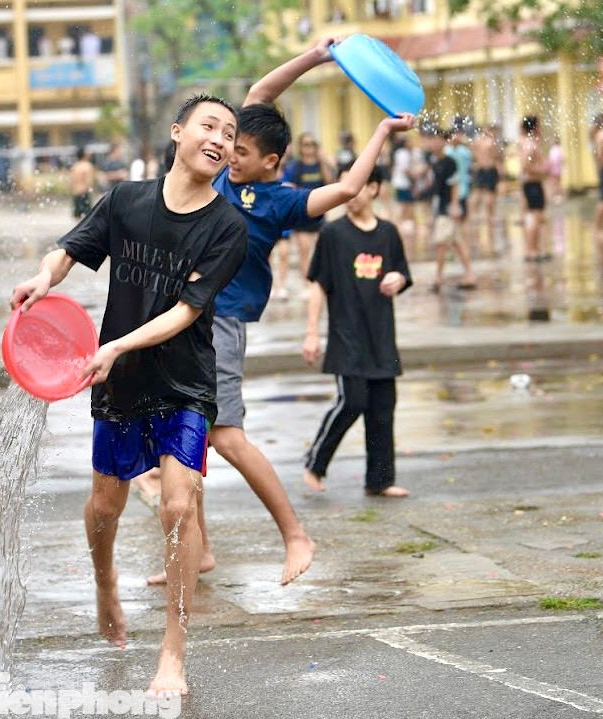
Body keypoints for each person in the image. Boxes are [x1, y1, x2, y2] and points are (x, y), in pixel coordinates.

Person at [136, 38, 415, 588]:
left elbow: (350, 187)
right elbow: (262, 92)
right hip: (182, 317)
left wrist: (382, 131)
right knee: (183, 434)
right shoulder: (217, 174)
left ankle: (295, 534)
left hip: (220, 325)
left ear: (271, 162)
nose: (227, 152)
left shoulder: (280, 201)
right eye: (228, 143)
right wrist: (314, 58)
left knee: (225, 438)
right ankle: (199, 550)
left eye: (241, 151)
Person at [11, 94, 247, 696]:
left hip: (186, 383)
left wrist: (116, 346)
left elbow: (185, 313)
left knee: (178, 504)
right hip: (120, 382)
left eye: (229, 133)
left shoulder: (227, 226)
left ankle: (174, 647)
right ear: (178, 132)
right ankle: (104, 582)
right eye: (208, 125)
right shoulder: (126, 200)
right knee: (105, 504)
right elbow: (70, 249)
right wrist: (44, 277)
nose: (219, 139)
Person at [302, 166, 412, 497]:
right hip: (346, 336)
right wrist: (311, 332)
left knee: (382, 407)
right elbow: (319, 286)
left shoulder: (389, 233)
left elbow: (402, 273)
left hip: (380, 336)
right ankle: (315, 463)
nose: (349, 192)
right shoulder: (333, 234)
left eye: (358, 185)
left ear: (375, 189)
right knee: (352, 401)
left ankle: (380, 480)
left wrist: (399, 280)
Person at [423, 129, 476, 291]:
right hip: (441, 206)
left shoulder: (449, 162)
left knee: (441, 242)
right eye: (430, 139)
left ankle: (438, 276)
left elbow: (455, 184)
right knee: (457, 242)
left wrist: (454, 205)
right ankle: (469, 274)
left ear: (443, 141)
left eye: (435, 139)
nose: (432, 142)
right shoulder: (435, 161)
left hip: (448, 207)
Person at [283, 132, 332, 295]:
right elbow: (289, 186)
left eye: (312, 144)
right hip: (302, 212)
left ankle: (318, 283)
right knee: (304, 250)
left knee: (319, 251)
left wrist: (323, 160)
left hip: (320, 213)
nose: (309, 148)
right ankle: (306, 284)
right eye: (305, 145)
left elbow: (330, 182)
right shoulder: (295, 167)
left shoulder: (321, 165)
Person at [520, 116, 549, 261]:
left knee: (535, 217)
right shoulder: (530, 145)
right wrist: (543, 171)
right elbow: (525, 166)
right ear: (535, 127)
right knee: (534, 218)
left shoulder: (528, 143)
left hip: (532, 185)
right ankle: (530, 250)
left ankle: (534, 249)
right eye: (539, 125)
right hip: (532, 185)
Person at [470, 124, 503, 230]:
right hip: (489, 169)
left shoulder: (476, 142)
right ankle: (490, 216)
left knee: (477, 193)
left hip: (479, 169)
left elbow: (473, 156)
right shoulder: (491, 142)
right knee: (489, 195)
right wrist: (501, 174)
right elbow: (497, 157)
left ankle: (475, 215)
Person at [69, 147, 95, 219]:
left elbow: (71, 182)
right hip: (84, 194)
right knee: (87, 219)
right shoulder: (87, 166)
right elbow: (89, 182)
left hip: (76, 194)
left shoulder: (74, 166)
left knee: (77, 219)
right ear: (84, 155)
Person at [592, 115, 603, 235]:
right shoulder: (601, 135)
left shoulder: (598, 134)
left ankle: (597, 227)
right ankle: (597, 227)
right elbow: (600, 155)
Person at [547, 139, 565, 203]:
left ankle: (554, 196)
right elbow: (563, 159)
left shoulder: (552, 150)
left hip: (553, 169)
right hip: (559, 169)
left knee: (554, 183)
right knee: (559, 183)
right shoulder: (560, 149)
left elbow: (551, 161)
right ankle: (561, 196)